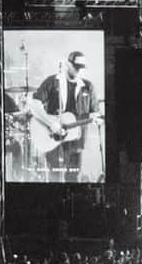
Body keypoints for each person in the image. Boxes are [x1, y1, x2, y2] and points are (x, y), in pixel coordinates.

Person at [26, 50, 101, 178]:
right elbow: (34, 104)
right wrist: (51, 124)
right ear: (68, 64)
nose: (79, 71)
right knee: (54, 178)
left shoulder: (89, 87)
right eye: (76, 67)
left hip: (76, 142)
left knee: (73, 179)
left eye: (82, 68)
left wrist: (97, 119)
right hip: (52, 139)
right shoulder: (52, 82)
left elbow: (95, 114)